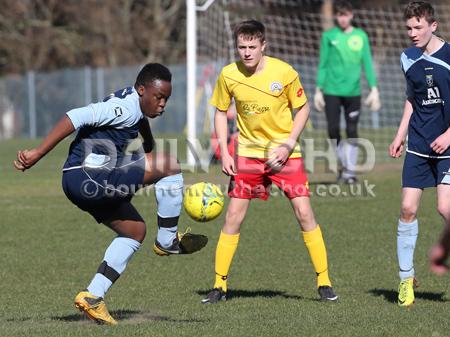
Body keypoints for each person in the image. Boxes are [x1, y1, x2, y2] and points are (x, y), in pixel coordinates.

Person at [13, 63, 208, 325]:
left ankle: (93, 296)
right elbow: (75, 116)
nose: (162, 104)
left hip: (77, 181)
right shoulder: (121, 108)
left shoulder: (133, 104)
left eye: (166, 99)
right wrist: (38, 152)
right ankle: (167, 241)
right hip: (88, 175)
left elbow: (139, 122)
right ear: (142, 90)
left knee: (135, 231)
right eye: (158, 97)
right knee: (170, 164)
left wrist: (147, 143)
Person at [201, 20, 338, 304]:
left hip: (285, 155)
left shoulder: (284, 72)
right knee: (233, 217)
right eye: (242, 47)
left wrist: (288, 144)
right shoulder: (228, 75)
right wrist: (226, 153)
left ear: (264, 45)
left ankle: (324, 281)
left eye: (252, 47)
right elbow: (219, 112)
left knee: (304, 213)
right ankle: (219, 286)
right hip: (248, 155)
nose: (247, 52)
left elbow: (303, 109)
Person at [389, 1, 450, 307]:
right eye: (409, 28)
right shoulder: (407, 57)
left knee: (445, 209)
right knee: (407, 209)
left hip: (448, 148)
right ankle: (405, 280)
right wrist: (400, 135)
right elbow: (412, 99)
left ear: (433, 26)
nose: (412, 33)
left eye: (418, 27)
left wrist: (448, 134)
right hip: (418, 145)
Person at [314, 0, 380, 184]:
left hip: (353, 92)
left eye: (346, 15)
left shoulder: (361, 36)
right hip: (332, 90)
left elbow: (367, 62)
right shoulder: (329, 36)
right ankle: (343, 165)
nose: (343, 18)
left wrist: (374, 88)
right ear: (336, 16)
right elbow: (323, 64)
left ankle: (350, 172)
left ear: (351, 15)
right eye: (340, 15)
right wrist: (318, 89)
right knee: (332, 129)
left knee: (352, 129)